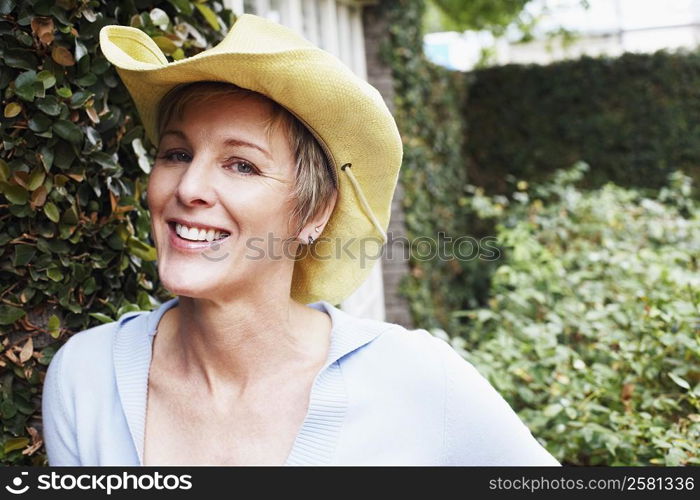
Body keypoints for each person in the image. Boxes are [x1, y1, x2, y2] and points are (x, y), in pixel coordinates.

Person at [41, 14, 559, 466]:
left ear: (314, 212)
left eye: (241, 165)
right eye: (176, 154)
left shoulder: (418, 380)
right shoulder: (84, 378)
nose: (190, 188)